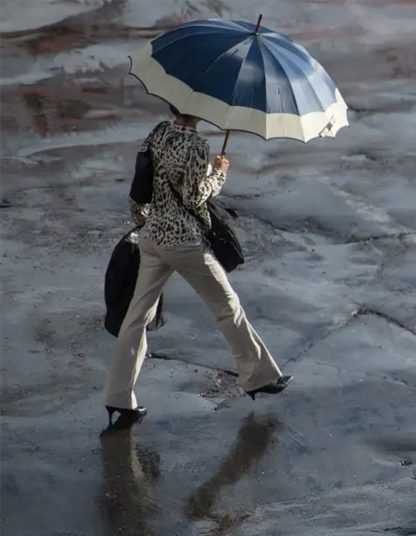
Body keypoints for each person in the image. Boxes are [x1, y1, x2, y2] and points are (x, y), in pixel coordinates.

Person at [104, 105, 290, 430]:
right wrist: (219, 173)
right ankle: (257, 376)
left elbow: (142, 180)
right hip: (183, 242)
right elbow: (194, 198)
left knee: (136, 319)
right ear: (198, 111)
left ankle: (119, 398)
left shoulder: (159, 131)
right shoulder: (197, 146)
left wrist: (143, 220)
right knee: (226, 306)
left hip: (152, 236)